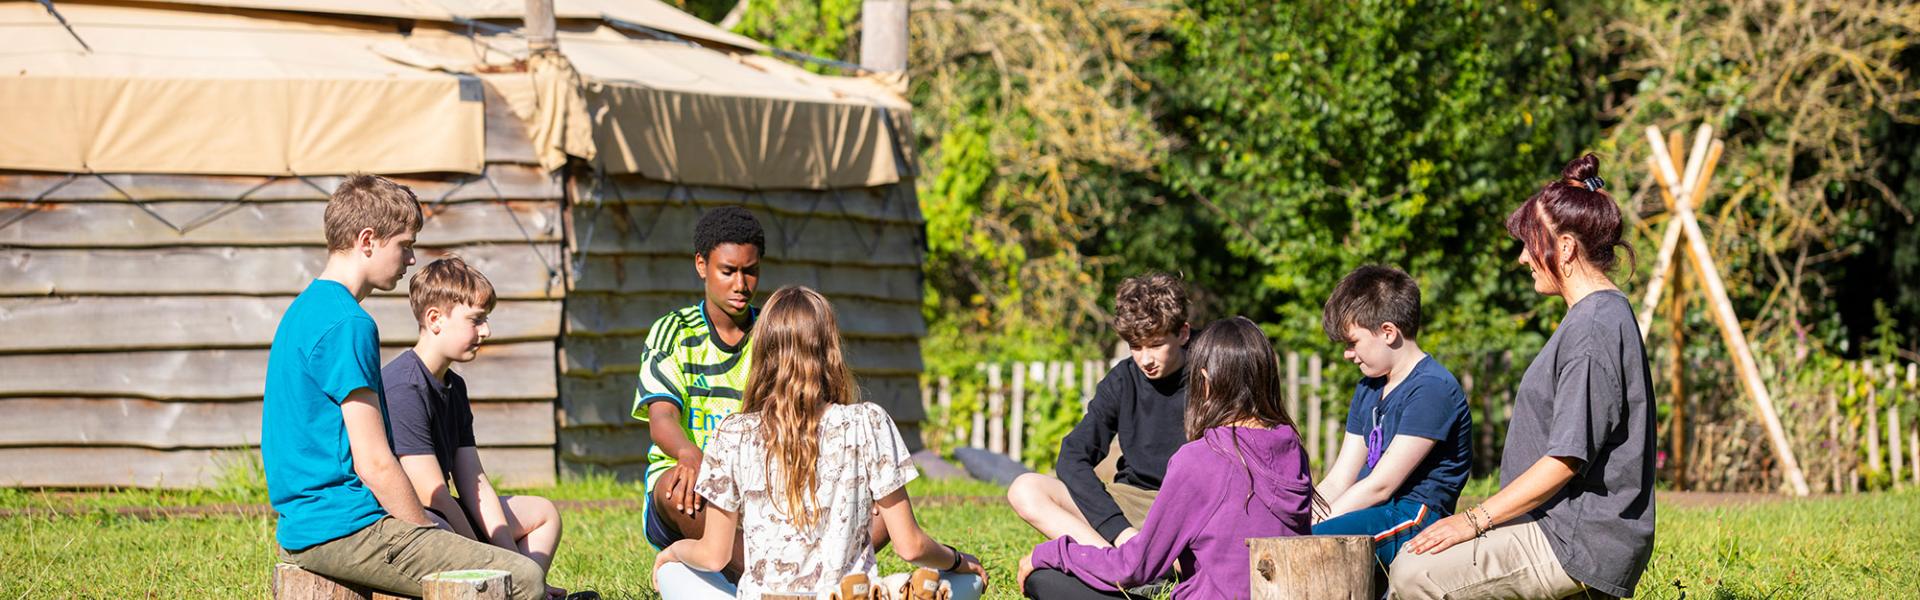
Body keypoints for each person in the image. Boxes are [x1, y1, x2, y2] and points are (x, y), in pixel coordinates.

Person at [263, 175, 546, 600]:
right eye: (406, 245)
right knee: (523, 578)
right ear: (367, 240)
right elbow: (374, 462)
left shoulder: (305, 309)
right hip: (342, 527)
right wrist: (424, 530)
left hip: (307, 522)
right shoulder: (349, 323)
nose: (412, 259)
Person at [1393, 154, 1656, 599]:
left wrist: (1473, 521)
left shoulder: (1594, 328)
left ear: (1567, 247)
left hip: (1572, 540)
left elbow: (1566, 460)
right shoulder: (1594, 318)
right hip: (1555, 529)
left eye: (1531, 243)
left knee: (1413, 573)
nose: (1522, 258)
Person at [652, 286, 988, 600]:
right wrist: (959, 560)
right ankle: (890, 589)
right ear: (830, 351)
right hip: (843, 588)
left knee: (674, 573)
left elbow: (713, 556)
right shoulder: (868, 421)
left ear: (764, 352)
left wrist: (673, 552)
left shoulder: (733, 433)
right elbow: (911, 547)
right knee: (965, 581)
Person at [1018, 316, 1314, 599]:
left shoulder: (1202, 457)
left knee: (1044, 579)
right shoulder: (1293, 448)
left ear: (1205, 381)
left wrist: (1051, 553)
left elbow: (1134, 568)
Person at [382, 257, 572, 598]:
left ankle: (524, 591)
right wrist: (489, 560)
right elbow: (430, 493)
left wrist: (513, 562)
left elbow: (474, 482)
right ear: (435, 319)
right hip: (408, 521)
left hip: (441, 511)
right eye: (476, 320)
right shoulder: (403, 387)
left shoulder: (454, 386)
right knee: (441, 524)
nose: (486, 331)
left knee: (542, 513)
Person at [1008, 273, 1195, 548]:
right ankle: (1122, 560)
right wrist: (1118, 530)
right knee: (1025, 489)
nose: (1146, 360)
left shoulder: (1212, 368)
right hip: (1130, 502)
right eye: (1135, 347)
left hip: (1189, 508)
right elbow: (1073, 454)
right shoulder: (1122, 380)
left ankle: (1146, 561)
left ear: (1182, 333)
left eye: (1156, 345)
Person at [1312, 265, 1472, 570]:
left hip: (1413, 518)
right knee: (1295, 536)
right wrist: (1301, 518)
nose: (1347, 354)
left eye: (1352, 342)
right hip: (1372, 509)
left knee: (1313, 542)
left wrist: (1315, 526)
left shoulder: (1432, 389)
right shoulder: (1369, 386)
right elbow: (1340, 477)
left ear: (1388, 332)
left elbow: (1382, 485)